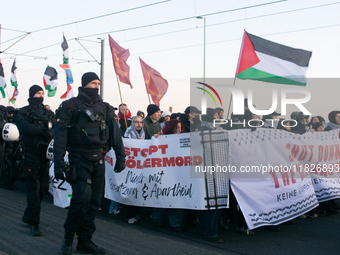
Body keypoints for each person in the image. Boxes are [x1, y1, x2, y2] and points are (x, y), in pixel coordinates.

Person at [53, 72, 126, 255]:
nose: (96, 86)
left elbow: (115, 135)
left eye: (98, 83)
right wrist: (59, 163)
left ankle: (85, 241)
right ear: (85, 84)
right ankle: (69, 237)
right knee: (81, 199)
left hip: (99, 160)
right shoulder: (70, 106)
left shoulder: (105, 108)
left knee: (94, 203)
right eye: (93, 83)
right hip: (79, 159)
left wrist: (121, 157)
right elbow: (60, 137)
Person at [14, 85, 54, 236]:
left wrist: (50, 134)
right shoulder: (23, 112)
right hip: (30, 155)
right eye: (38, 93)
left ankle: (28, 214)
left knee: (43, 189)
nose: (41, 95)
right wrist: (42, 132)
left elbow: (55, 127)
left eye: (42, 93)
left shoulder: (48, 113)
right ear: (32, 95)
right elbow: (24, 128)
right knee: (33, 191)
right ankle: (34, 223)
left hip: (44, 155)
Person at [150, 119, 185, 232]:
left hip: (178, 172)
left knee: (177, 197)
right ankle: (156, 216)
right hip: (166, 172)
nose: (179, 130)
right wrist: (155, 138)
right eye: (177, 128)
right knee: (165, 196)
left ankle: (175, 223)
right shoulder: (162, 139)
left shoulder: (183, 139)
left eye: (180, 128)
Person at [124, 115, 145, 224]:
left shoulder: (143, 133)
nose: (139, 124)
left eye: (140, 122)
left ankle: (135, 213)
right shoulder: (128, 133)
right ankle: (130, 215)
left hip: (140, 166)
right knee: (131, 190)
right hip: (131, 166)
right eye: (136, 122)